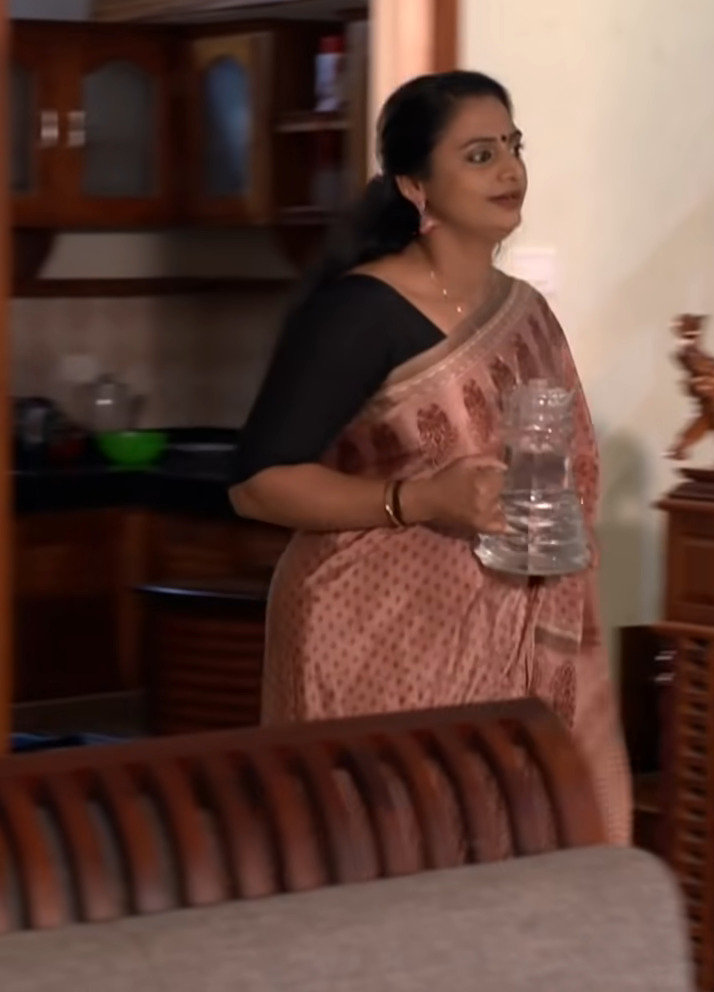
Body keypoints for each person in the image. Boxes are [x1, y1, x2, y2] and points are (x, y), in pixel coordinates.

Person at [228, 70, 631, 845]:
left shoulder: (527, 310)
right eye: (479, 155)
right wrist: (421, 500)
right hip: (375, 642)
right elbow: (257, 484)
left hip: (520, 636)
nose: (509, 170)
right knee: (393, 866)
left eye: (513, 147)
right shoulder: (361, 311)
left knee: (555, 857)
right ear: (415, 186)